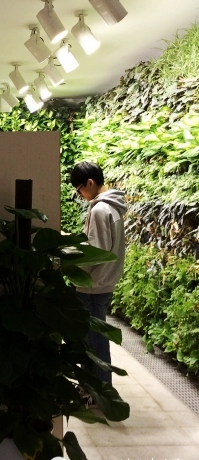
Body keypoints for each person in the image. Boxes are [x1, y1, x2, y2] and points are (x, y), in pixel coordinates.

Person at [70, 161, 127, 386]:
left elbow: (97, 251)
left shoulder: (100, 209)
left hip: (93, 285)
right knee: (95, 340)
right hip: (105, 282)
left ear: (90, 183)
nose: (80, 195)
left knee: (94, 343)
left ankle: (99, 393)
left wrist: (73, 268)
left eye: (79, 189)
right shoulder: (114, 207)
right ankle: (92, 390)